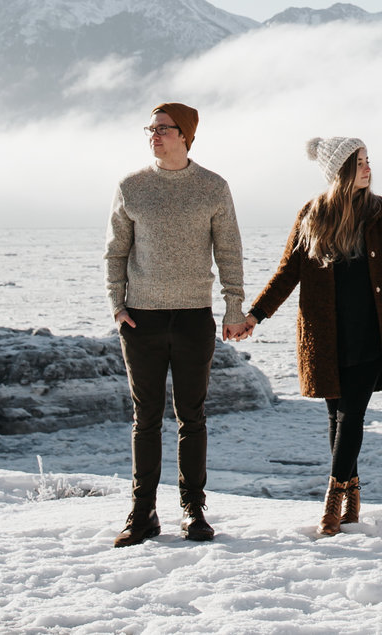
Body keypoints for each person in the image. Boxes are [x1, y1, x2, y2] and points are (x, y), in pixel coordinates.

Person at [244, 134, 382, 537]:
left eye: (369, 160)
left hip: (374, 333)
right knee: (336, 418)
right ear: (341, 170)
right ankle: (353, 493)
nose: (369, 168)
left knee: (352, 415)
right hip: (326, 335)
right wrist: (255, 314)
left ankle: (332, 499)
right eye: (360, 162)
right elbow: (288, 272)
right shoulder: (313, 214)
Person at [104, 101, 254, 546]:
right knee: (145, 418)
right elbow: (115, 251)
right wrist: (117, 305)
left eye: (164, 129)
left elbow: (229, 252)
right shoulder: (131, 186)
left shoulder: (212, 187)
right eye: (151, 128)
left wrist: (232, 307)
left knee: (192, 416)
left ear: (186, 135)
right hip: (141, 320)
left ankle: (193, 512)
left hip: (193, 317)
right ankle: (142, 513)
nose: (155, 135)